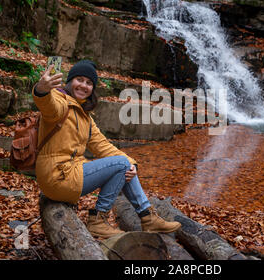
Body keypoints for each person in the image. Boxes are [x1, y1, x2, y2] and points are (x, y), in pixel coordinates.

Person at [32, 60, 181, 239]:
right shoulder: (60, 101)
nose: (83, 85)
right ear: (70, 81)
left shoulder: (85, 117)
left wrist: (133, 164)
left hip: (67, 174)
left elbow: (104, 147)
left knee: (123, 164)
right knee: (121, 163)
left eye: (89, 83)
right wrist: (41, 89)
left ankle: (147, 217)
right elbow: (47, 105)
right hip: (57, 176)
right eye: (79, 79)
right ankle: (102, 221)